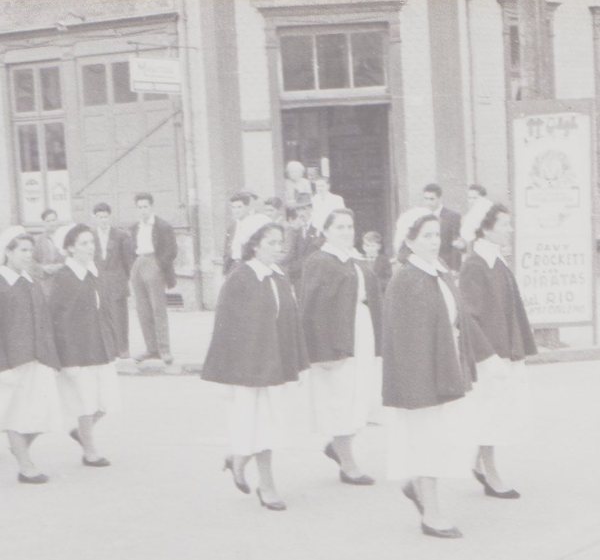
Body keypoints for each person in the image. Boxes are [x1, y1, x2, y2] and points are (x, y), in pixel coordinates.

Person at [383, 207, 478, 539]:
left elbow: (455, 320)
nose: (434, 241)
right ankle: (432, 514)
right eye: (426, 235)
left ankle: (417, 487)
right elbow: (402, 340)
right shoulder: (406, 278)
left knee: (442, 439)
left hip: (445, 367)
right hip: (422, 378)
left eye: (437, 235)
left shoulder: (440, 272)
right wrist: (417, 386)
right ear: (409, 240)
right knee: (428, 440)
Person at [202, 222, 308, 511]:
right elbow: (226, 326)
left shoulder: (278, 276)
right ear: (254, 244)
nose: (278, 248)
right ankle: (267, 484)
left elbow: (287, 320)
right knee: (258, 423)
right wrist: (237, 367)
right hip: (248, 370)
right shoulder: (241, 278)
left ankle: (239, 459)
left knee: (268, 423)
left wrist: (294, 360)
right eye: (271, 242)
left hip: (273, 365)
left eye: (280, 242)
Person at [459, 201, 537, 499]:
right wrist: (488, 357)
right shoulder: (475, 265)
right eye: (504, 224)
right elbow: (469, 316)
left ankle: (480, 465)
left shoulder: (496, 260)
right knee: (489, 414)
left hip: (504, 349)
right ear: (487, 228)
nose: (510, 229)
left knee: (496, 411)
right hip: (489, 355)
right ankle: (490, 473)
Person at [301, 208, 381, 486]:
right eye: (339, 227)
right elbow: (312, 308)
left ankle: (338, 448)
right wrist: (322, 351)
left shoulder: (353, 260)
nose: (347, 232)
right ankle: (348, 464)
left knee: (359, 396)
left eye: (350, 226)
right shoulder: (320, 261)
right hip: (336, 339)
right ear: (325, 232)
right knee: (341, 398)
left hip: (361, 330)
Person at [49, 223, 120, 468]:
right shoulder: (64, 278)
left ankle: (81, 433)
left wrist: (114, 344)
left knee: (106, 403)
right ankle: (90, 452)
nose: (90, 248)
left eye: (92, 242)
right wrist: (68, 360)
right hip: (79, 353)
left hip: (101, 348)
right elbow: (58, 321)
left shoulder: (94, 272)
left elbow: (106, 311)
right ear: (70, 248)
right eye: (83, 243)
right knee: (86, 404)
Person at [0, 227, 62, 484]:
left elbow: (45, 321)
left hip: (38, 357)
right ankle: (26, 466)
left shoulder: (30, 281)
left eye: (30, 250)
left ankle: (19, 447)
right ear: (7, 252)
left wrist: (52, 357)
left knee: (42, 413)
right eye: (23, 250)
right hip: (12, 361)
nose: (28, 255)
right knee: (15, 413)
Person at [130, 193, 178, 365]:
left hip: (154, 263)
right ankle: (151, 349)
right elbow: (131, 248)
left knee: (158, 309)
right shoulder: (135, 227)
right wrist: (134, 266)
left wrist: (158, 265)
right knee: (143, 310)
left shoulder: (162, 226)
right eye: (140, 207)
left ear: (151, 207)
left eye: (146, 206)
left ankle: (164, 350)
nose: (143, 210)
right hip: (139, 263)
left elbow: (172, 250)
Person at [93, 202, 135, 359]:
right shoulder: (91, 236)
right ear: (95, 218)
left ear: (110, 217)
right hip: (98, 281)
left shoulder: (120, 235)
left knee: (120, 317)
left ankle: (123, 349)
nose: (103, 220)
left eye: (105, 217)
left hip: (117, 281)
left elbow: (128, 260)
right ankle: (109, 349)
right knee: (102, 317)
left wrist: (126, 280)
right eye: (100, 217)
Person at [282, 193, 323, 296]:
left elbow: (312, 255)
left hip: (314, 279)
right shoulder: (299, 229)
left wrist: (291, 269)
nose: (301, 213)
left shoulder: (318, 229)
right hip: (299, 280)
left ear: (310, 209)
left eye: (304, 209)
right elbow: (293, 253)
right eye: (298, 210)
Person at [224, 191, 271, 276]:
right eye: (233, 208)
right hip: (233, 266)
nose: (236, 211)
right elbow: (227, 249)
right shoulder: (232, 227)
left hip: (248, 265)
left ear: (247, 207)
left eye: (239, 207)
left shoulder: (255, 224)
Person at [422, 183, 462, 272]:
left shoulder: (452, 217)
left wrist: (454, 268)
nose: (428, 203)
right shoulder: (421, 217)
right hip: (427, 266)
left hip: (446, 265)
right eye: (426, 199)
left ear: (440, 199)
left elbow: (455, 245)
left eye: (432, 199)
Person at [32, 208, 64, 296]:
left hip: (64, 281)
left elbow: (72, 257)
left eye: (53, 220)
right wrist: (43, 268)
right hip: (46, 284)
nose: (51, 223)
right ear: (43, 223)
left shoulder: (64, 239)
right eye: (48, 221)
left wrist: (61, 266)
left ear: (57, 221)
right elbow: (31, 261)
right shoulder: (38, 241)